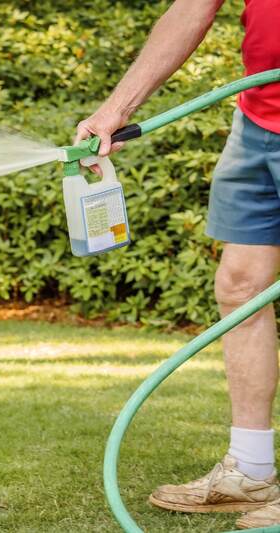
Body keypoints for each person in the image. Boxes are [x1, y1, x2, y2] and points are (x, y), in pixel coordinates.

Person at [76, 0, 280, 529]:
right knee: (239, 288)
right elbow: (192, 7)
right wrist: (116, 108)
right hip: (259, 119)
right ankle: (251, 471)